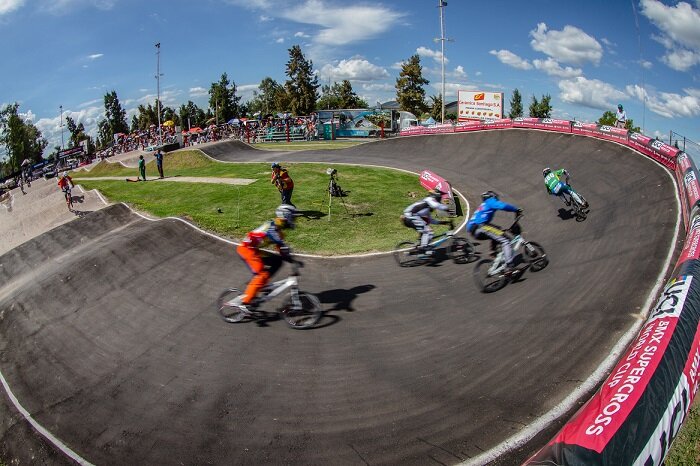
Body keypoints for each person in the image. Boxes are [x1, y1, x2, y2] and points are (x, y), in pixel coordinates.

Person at [233, 204, 297, 314]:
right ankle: (245, 304)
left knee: (277, 260)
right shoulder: (271, 226)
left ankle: (261, 283)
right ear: (285, 216)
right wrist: (283, 246)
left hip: (255, 250)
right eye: (292, 217)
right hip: (246, 249)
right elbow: (273, 236)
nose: (293, 220)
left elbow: (280, 249)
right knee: (261, 273)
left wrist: (292, 260)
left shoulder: (279, 232)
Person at [467, 191, 522, 275]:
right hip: (481, 226)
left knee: (498, 232)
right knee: (506, 240)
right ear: (492, 196)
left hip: (473, 230)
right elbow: (502, 206)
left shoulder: (483, 206)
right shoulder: (490, 201)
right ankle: (509, 267)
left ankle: (493, 252)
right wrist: (516, 209)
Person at [401, 188, 451, 255]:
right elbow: (436, 205)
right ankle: (424, 248)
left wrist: (444, 222)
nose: (440, 200)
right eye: (439, 198)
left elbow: (430, 220)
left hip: (410, 217)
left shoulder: (427, 207)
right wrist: (447, 209)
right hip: (410, 216)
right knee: (428, 231)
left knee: (425, 232)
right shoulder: (429, 199)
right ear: (436, 197)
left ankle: (417, 248)